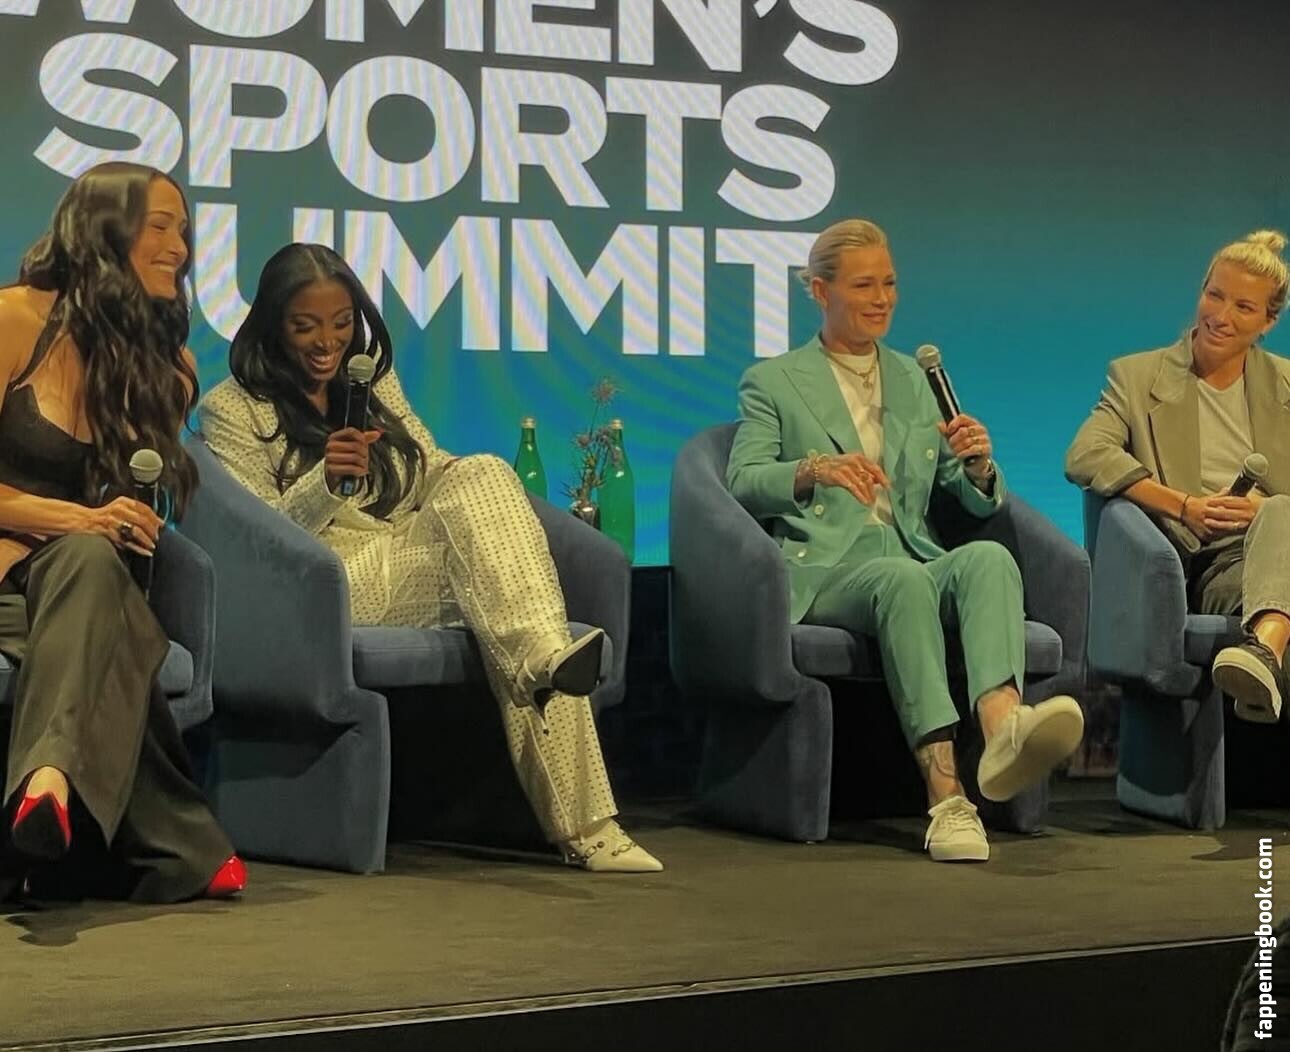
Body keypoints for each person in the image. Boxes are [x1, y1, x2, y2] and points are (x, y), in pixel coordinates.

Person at [199, 244, 660, 874]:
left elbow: (427, 468)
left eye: (341, 323)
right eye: (305, 326)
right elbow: (259, 541)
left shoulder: (372, 382)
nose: (327, 343)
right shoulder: (232, 407)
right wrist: (323, 483)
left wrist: (472, 485)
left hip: (400, 552)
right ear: (272, 324)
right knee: (519, 608)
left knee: (483, 473)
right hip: (328, 581)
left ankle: (544, 665)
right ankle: (588, 826)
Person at [726, 218, 1083, 862]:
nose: (882, 299)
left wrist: (978, 465)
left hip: (914, 553)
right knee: (903, 581)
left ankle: (1003, 728)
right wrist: (814, 468)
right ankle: (947, 798)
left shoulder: (914, 378)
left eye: (889, 283)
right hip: (829, 567)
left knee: (988, 559)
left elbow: (961, 491)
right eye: (864, 285)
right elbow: (743, 479)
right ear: (820, 291)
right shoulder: (774, 380)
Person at [0, 163, 244, 902]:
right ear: (103, 231)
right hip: (10, 577)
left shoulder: (168, 365)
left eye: (185, 231)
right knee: (114, 611)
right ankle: (172, 841)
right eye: (160, 226)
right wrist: (78, 519)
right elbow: (84, 522)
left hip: (84, 582)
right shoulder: (13, 320)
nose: (180, 248)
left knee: (95, 570)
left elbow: (124, 507)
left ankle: (48, 785)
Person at [1066, 229, 1290, 722]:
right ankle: (1266, 652)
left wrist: (1261, 511)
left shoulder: (1286, 384)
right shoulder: (1137, 377)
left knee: (1279, 510)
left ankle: (1266, 651)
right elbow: (1085, 454)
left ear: (1269, 322)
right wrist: (1183, 505)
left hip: (1277, 544)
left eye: (1244, 308)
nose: (1221, 316)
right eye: (1215, 295)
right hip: (1215, 563)